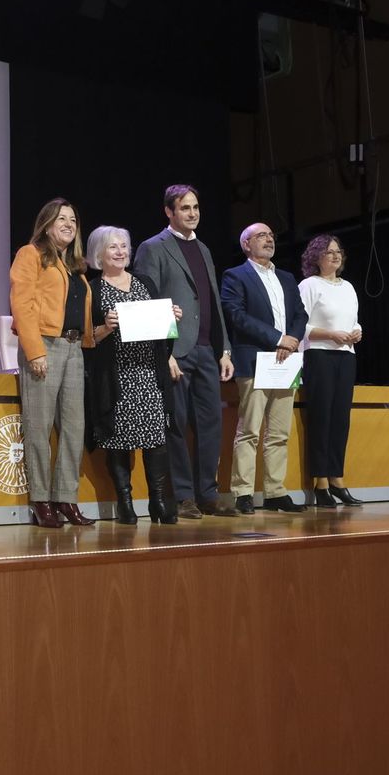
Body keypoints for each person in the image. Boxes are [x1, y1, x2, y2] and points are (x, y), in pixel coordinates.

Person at [131, 185, 234, 519]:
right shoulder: (153, 248)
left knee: (211, 423)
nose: (193, 213)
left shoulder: (203, 248)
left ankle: (207, 492)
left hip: (206, 348)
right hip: (176, 348)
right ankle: (183, 496)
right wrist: (164, 351)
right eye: (185, 208)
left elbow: (213, 301)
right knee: (176, 423)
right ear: (169, 212)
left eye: (196, 207)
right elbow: (146, 299)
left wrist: (225, 349)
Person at [84, 225, 181, 525]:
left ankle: (160, 502)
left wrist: (171, 319)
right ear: (98, 253)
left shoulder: (145, 282)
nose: (121, 251)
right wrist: (105, 328)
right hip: (116, 377)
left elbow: (161, 335)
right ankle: (125, 502)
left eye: (124, 246)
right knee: (118, 440)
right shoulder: (93, 289)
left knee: (155, 438)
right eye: (113, 247)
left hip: (149, 374)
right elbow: (87, 339)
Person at [9, 198, 94, 528]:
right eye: (62, 218)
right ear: (46, 223)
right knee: (39, 428)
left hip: (74, 348)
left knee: (74, 429)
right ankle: (41, 501)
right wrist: (34, 351)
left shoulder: (73, 265)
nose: (69, 224)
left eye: (73, 219)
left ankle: (66, 499)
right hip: (44, 345)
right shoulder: (30, 254)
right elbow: (22, 303)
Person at [220, 224, 309, 515]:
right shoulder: (235, 275)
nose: (269, 239)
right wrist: (277, 338)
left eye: (271, 235)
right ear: (246, 245)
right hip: (255, 360)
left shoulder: (286, 277)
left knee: (280, 432)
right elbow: (236, 315)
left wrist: (292, 340)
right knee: (250, 430)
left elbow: (300, 313)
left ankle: (274, 492)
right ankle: (243, 492)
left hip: (287, 360)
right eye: (261, 236)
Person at [298, 235, 365, 508]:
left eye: (338, 252)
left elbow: (353, 320)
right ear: (316, 257)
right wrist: (329, 334)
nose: (335, 256)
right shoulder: (309, 285)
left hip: (345, 356)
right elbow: (299, 325)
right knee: (321, 418)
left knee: (340, 419)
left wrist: (357, 331)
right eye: (328, 252)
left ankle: (337, 478)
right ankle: (321, 482)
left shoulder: (348, 286)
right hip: (319, 355)